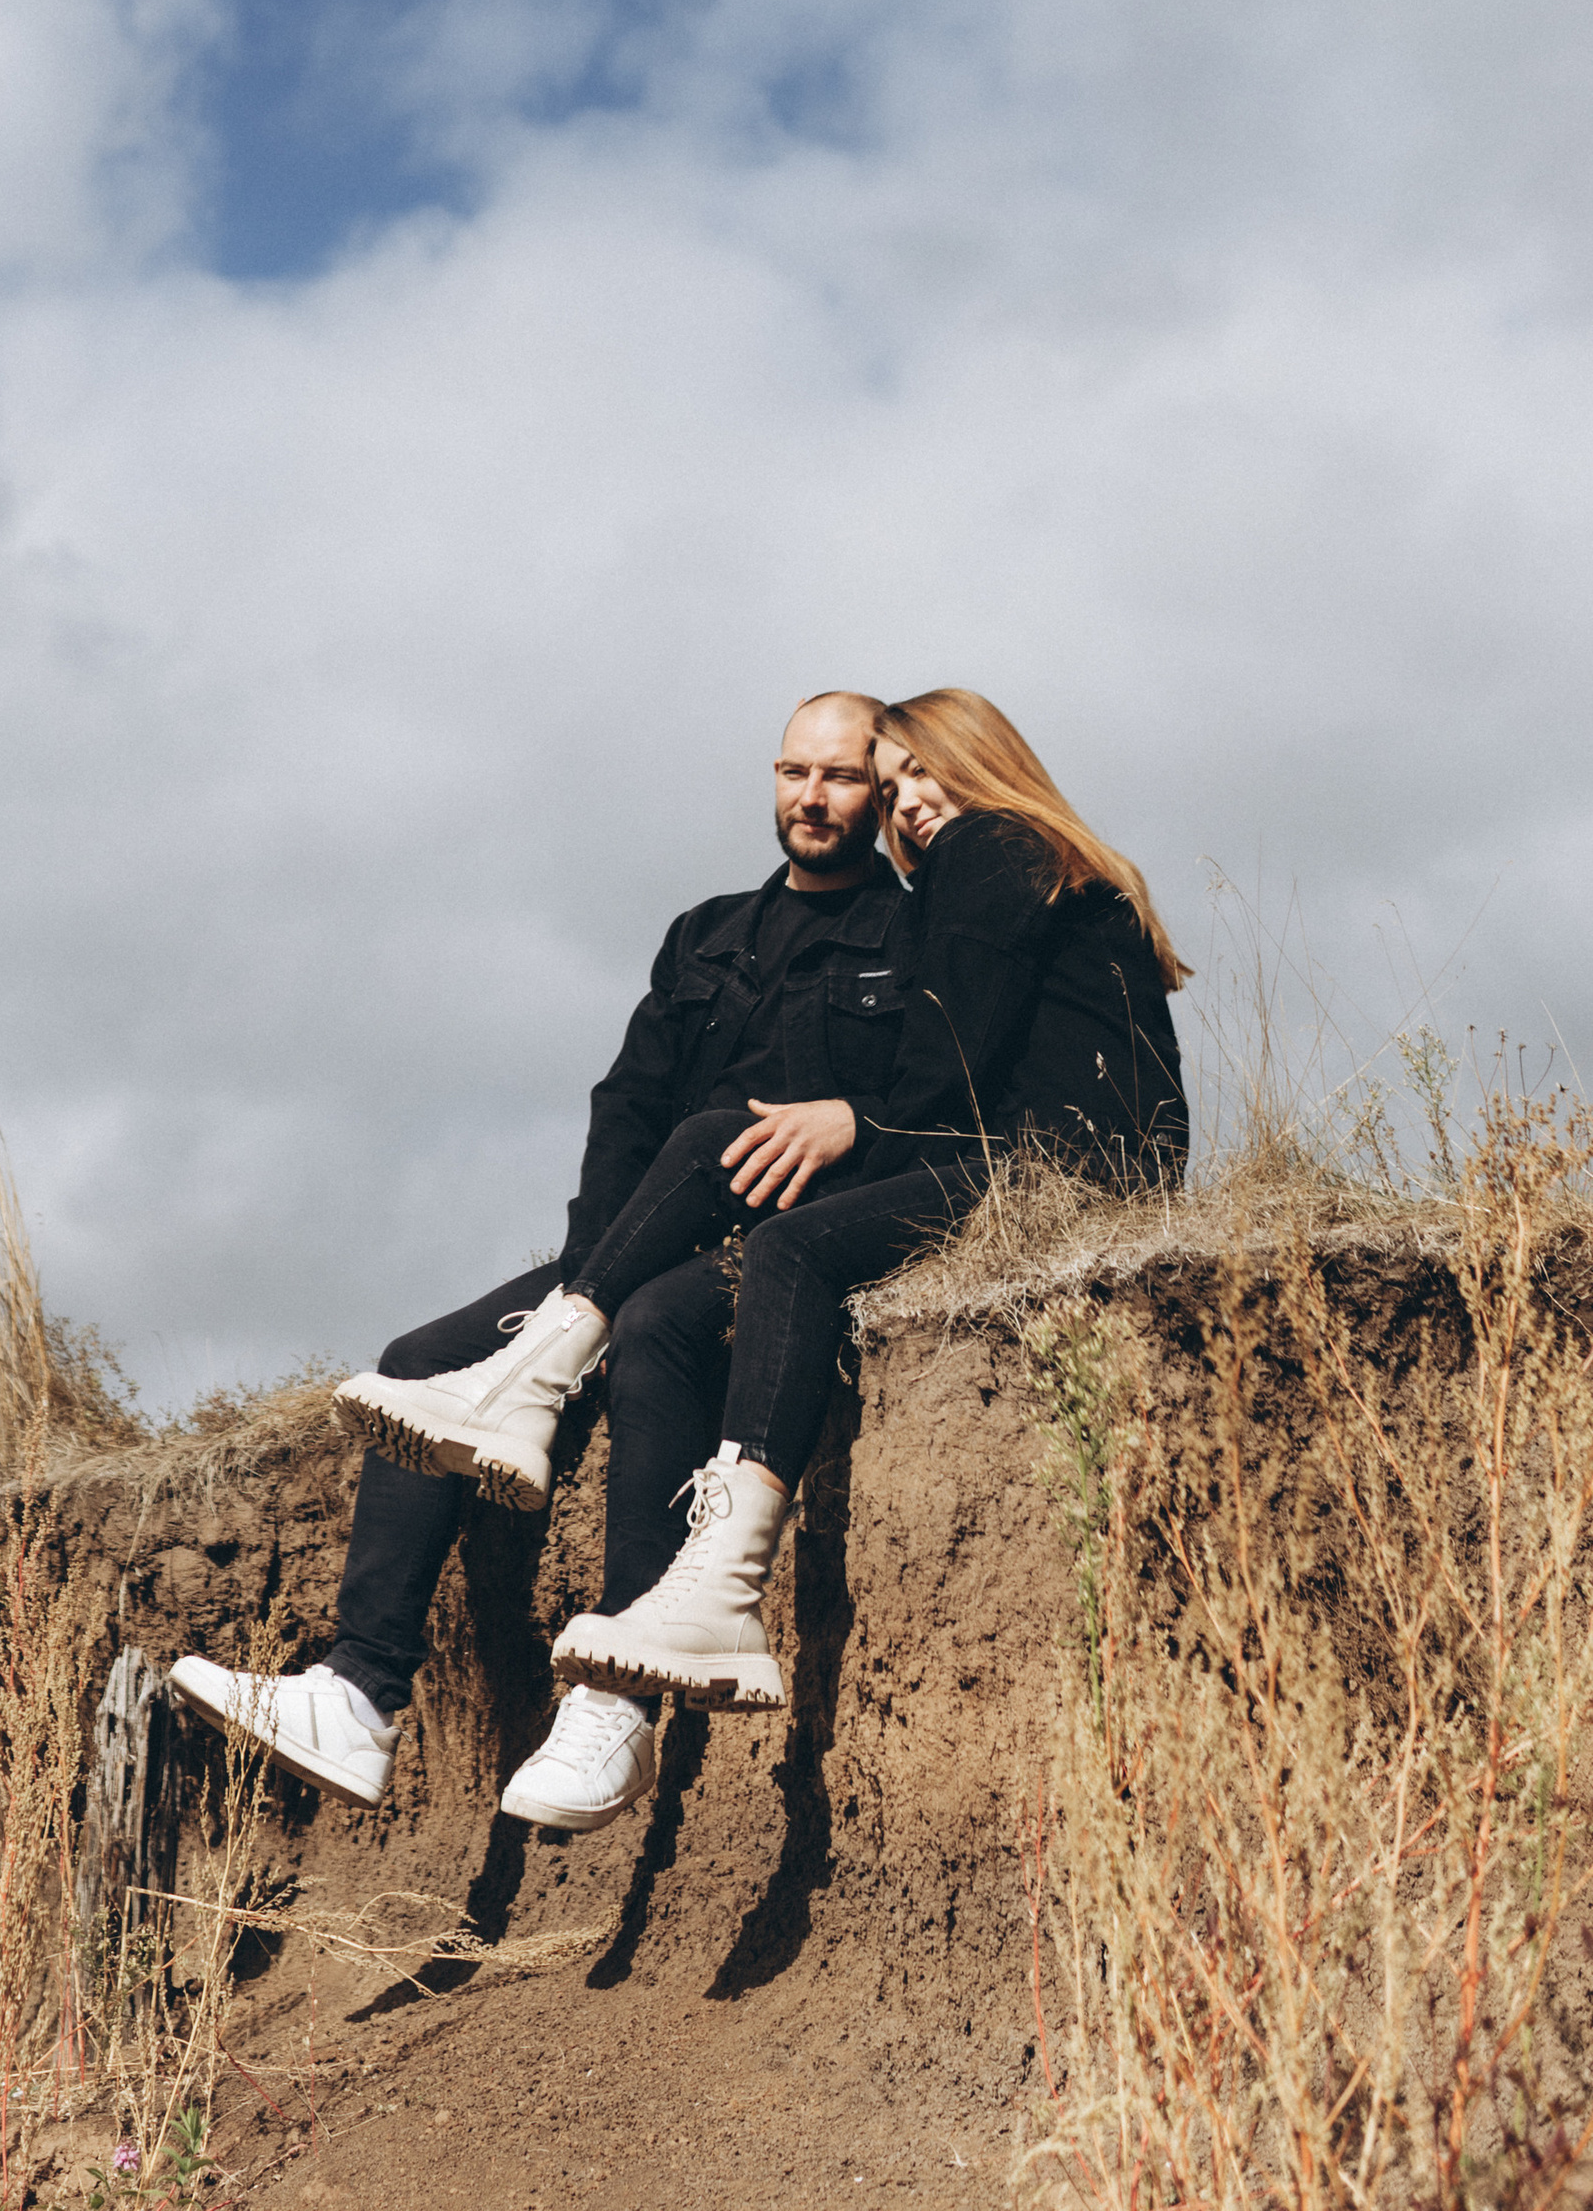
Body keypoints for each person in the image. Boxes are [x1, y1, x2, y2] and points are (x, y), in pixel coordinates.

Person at [391, 689, 1189, 1756]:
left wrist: (853, 1124)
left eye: (915, 772)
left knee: (787, 1238)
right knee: (713, 1190)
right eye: (895, 783)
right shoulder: (1014, 863)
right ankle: (548, 1400)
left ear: (981, 761)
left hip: (1060, 1167)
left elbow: (950, 1066)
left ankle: (673, 1531)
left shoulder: (990, 849)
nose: (911, 804)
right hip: (1046, 1154)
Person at [170, 690, 909, 1837]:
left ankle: (614, 1705)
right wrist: (590, 1271)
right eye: (791, 772)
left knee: (661, 1324)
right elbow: (625, 1110)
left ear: (884, 788)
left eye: (842, 778)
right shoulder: (705, 932)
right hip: (631, 1244)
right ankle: (358, 1697)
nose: (812, 799)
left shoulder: (909, 939)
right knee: (419, 1363)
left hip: (776, 1249)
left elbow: (927, 1109)